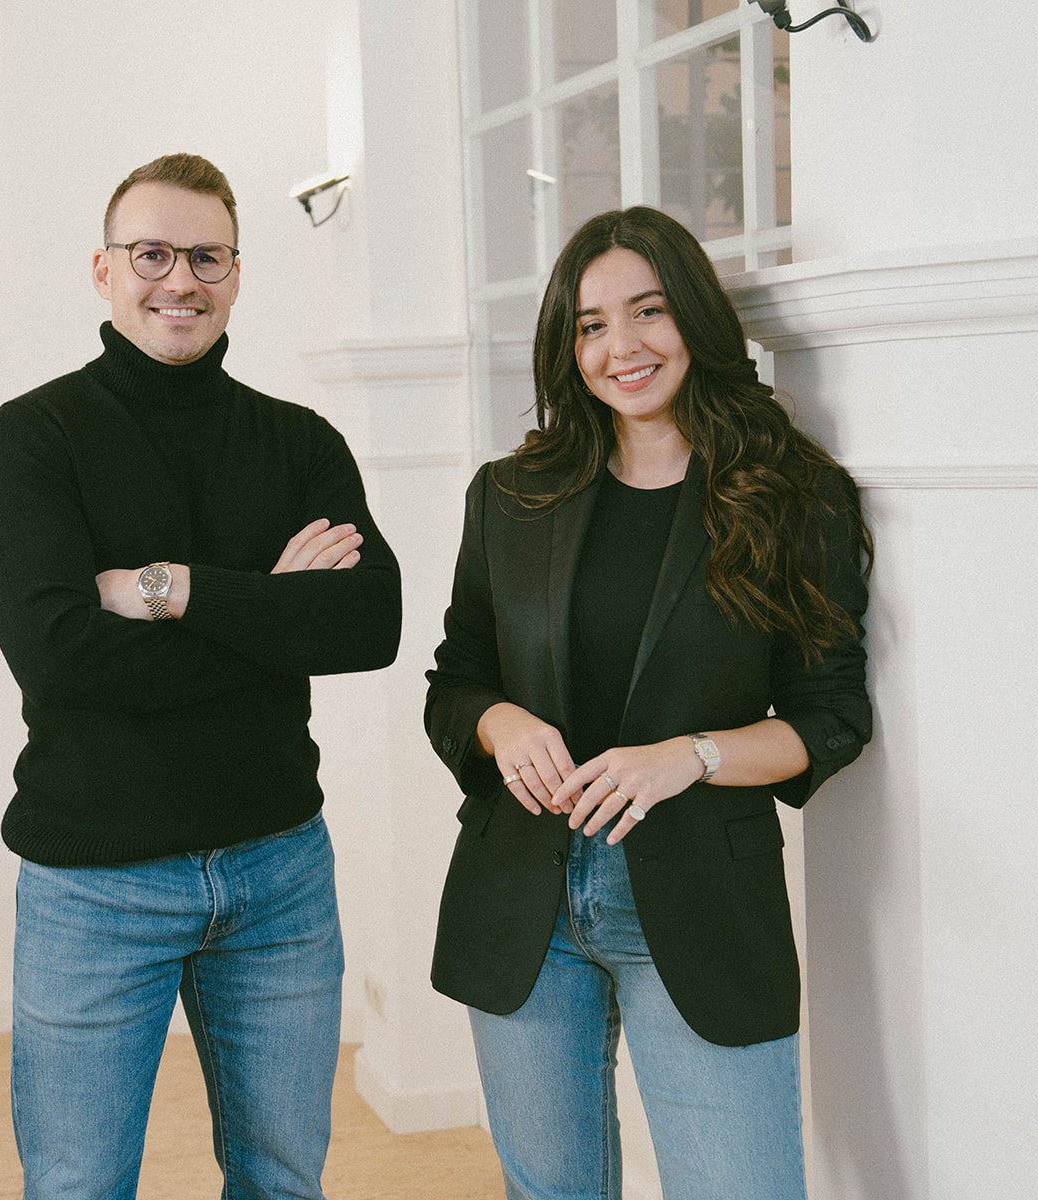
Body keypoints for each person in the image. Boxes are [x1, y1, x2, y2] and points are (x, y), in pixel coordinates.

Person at [0, 153, 400, 1200]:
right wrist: (270, 612)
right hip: (95, 885)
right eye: (151, 253)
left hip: (278, 873)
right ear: (104, 272)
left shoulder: (298, 441)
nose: (180, 280)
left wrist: (173, 590)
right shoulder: (32, 439)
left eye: (205, 255)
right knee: (78, 1185)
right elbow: (61, 657)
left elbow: (369, 624)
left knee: (284, 1180)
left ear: (238, 274)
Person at [424, 206, 871, 1200]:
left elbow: (832, 712)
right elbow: (455, 682)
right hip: (521, 904)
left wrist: (693, 754)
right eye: (589, 325)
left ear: (696, 320)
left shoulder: (792, 494)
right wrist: (503, 726)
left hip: (699, 906)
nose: (619, 347)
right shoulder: (509, 494)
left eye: (647, 312)